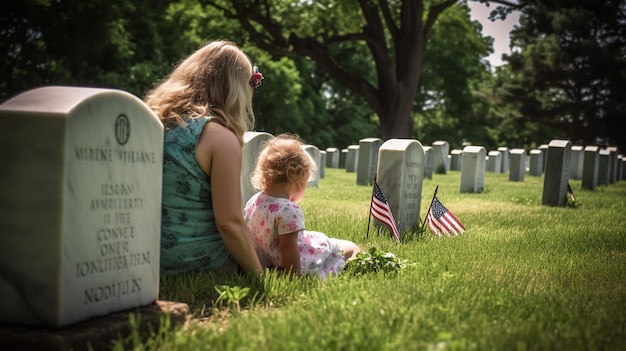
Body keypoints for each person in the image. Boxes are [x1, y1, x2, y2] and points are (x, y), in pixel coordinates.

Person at [144, 40, 264, 275]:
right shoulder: (219, 137)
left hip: (147, 259)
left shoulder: (153, 122)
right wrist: (260, 278)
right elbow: (229, 222)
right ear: (237, 88)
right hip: (200, 262)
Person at [243, 134, 361, 278]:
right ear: (297, 180)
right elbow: (287, 247)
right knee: (351, 247)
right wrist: (294, 276)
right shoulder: (289, 211)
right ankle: (351, 270)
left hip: (265, 262)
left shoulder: (254, 200)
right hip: (295, 263)